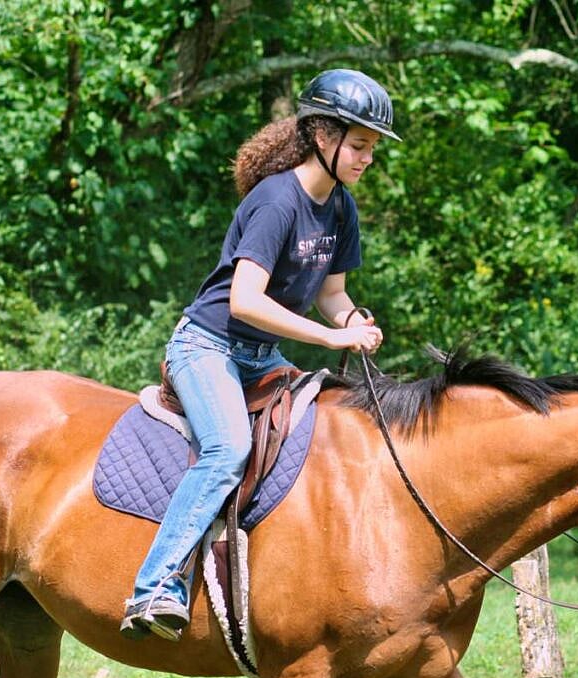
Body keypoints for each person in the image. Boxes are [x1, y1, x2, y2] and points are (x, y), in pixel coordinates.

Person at [120, 69, 400, 641]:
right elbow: (245, 301)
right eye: (359, 145)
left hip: (260, 354)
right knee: (227, 449)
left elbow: (332, 293)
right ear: (322, 136)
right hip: (207, 346)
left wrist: (352, 322)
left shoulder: (340, 207)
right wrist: (329, 339)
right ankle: (155, 587)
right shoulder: (276, 202)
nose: (368, 158)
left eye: (372, 147)